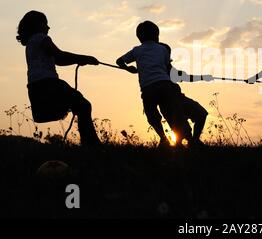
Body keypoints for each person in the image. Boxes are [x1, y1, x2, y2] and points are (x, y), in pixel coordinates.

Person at [16, 10, 101, 146]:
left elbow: (58, 60)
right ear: (38, 25)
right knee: (84, 106)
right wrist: (85, 58)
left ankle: (90, 145)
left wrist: (78, 60)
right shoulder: (41, 38)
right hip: (49, 84)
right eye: (45, 23)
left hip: (35, 87)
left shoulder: (31, 43)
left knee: (80, 106)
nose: (48, 27)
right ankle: (92, 146)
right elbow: (59, 56)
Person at [116, 20, 198, 148]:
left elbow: (119, 61)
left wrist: (129, 68)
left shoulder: (136, 50)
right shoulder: (162, 49)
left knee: (152, 115)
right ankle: (189, 139)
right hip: (166, 85)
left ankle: (163, 138)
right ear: (157, 35)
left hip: (148, 88)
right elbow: (167, 68)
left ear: (139, 37)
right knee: (174, 112)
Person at [144, 42, 212, 148]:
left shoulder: (169, 69)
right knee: (183, 132)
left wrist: (202, 77)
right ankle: (176, 146)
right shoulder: (152, 70)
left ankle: (194, 142)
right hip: (168, 105)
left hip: (180, 98)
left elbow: (184, 77)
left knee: (201, 113)